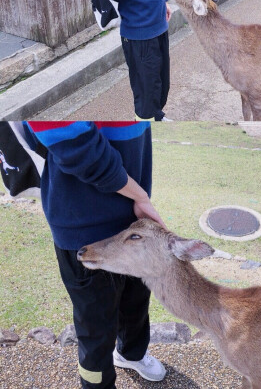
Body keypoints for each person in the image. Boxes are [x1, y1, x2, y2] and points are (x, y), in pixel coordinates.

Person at [25, 121, 167, 389]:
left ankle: (131, 354)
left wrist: (138, 198)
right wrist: (139, 195)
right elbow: (72, 143)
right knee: (96, 329)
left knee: (136, 301)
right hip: (85, 224)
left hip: (133, 220)